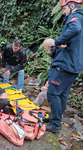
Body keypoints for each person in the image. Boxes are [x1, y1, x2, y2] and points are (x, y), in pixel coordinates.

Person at [45, 0, 83, 133]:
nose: (63, 12)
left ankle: (55, 125)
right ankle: (56, 119)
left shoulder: (75, 17)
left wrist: (58, 42)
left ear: (72, 6)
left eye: (64, 9)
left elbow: (75, 28)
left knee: (52, 93)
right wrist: (67, 44)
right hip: (74, 65)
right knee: (62, 95)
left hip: (66, 64)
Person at [33, 39, 56, 106]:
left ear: (49, 46)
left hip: (58, 83)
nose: (45, 50)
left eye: (45, 48)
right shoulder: (55, 55)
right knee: (42, 94)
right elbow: (52, 70)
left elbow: (57, 74)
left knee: (44, 94)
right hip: (54, 81)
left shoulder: (58, 56)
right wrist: (48, 82)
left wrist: (48, 87)